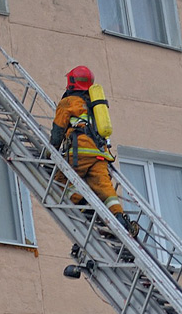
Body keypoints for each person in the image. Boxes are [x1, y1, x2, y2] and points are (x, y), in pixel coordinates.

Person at [50, 65, 134, 234]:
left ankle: (84, 208)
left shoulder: (68, 102)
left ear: (72, 82)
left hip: (81, 152)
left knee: (59, 185)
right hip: (101, 153)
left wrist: (49, 153)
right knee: (105, 188)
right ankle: (119, 217)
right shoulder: (96, 104)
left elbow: (58, 131)